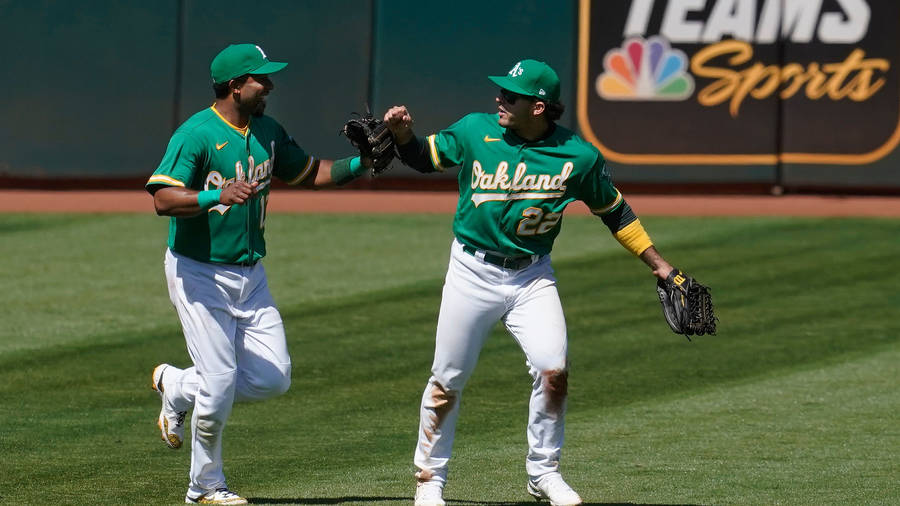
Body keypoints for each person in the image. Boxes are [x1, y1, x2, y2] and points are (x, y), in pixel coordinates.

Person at [384, 59, 678, 506]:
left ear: (538, 108)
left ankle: (543, 473)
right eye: (502, 92)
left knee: (553, 369)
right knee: (448, 378)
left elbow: (614, 211)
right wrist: (403, 134)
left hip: (531, 275)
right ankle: (429, 480)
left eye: (511, 95)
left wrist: (657, 263)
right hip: (471, 271)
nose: (499, 99)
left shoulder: (578, 156)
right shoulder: (474, 131)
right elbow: (423, 159)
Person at [146, 43, 372, 505]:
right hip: (199, 273)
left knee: (274, 378)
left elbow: (309, 171)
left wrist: (361, 165)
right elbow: (162, 200)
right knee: (221, 380)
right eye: (260, 79)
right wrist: (215, 197)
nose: (269, 85)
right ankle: (204, 488)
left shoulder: (267, 129)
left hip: (251, 275)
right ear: (235, 85)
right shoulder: (197, 134)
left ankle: (176, 385)